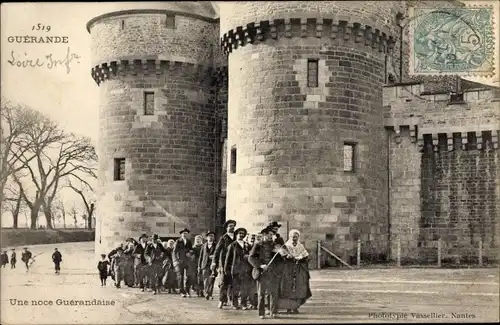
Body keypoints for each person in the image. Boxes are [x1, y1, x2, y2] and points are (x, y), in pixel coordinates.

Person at [248, 227, 283, 319]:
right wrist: (260, 265)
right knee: (261, 294)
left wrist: (282, 254)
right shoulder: (258, 245)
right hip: (262, 273)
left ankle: (273, 311)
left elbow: (280, 261)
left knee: (274, 294)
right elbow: (250, 258)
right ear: (264, 235)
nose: (271, 236)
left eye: (272, 235)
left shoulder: (275, 246)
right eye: (269, 235)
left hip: (273, 273)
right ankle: (261, 313)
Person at [280, 229, 312, 314]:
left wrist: (302, 258)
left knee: (298, 289)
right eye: (293, 237)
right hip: (288, 270)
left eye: (296, 237)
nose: (294, 238)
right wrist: (288, 257)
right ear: (290, 237)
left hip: (298, 270)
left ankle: (295, 307)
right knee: (288, 289)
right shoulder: (286, 246)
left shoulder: (300, 246)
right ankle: (288, 307)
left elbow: (306, 257)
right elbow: (282, 258)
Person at [225, 227, 252, 310]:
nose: (241, 235)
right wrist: (226, 270)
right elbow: (228, 259)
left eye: (242, 234)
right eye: (239, 233)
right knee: (235, 287)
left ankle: (243, 304)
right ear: (236, 235)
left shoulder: (247, 245)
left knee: (244, 288)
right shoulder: (232, 245)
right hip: (236, 270)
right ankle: (235, 303)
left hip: (245, 270)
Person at [213, 219, 237, 308]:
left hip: (234, 262)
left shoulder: (236, 237)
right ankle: (222, 300)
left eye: (233, 226)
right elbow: (217, 251)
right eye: (230, 226)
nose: (232, 227)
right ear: (227, 228)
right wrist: (214, 262)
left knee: (234, 282)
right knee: (224, 282)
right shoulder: (223, 238)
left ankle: (232, 300)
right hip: (225, 263)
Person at [173, 228, 193, 297]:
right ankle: (182, 291)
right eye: (183, 233)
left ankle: (187, 290)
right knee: (180, 276)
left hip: (187, 261)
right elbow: (175, 252)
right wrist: (177, 260)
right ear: (181, 234)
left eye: (186, 233)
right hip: (180, 261)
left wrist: (190, 252)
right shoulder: (178, 241)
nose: (185, 235)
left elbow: (191, 250)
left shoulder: (189, 241)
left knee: (188, 275)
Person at [198, 231, 217, 300]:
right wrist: (199, 266)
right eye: (209, 236)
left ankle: (210, 293)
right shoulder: (203, 246)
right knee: (205, 280)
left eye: (212, 236)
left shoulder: (216, 245)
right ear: (206, 238)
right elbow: (201, 256)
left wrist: (214, 256)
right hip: (205, 265)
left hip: (213, 265)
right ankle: (206, 293)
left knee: (212, 280)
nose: (211, 237)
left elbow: (218, 254)